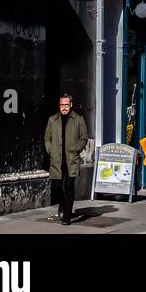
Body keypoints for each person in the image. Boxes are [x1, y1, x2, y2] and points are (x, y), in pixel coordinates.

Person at [44, 93, 88, 226]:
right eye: (61, 105)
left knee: (69, 186)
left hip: (71, 160)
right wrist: (50, 150)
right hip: (57, 160)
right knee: (57, 187)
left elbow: (84, 137)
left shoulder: (78, 119)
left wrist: (76, 148)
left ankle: (67, 216)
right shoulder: (53, 120)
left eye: (66, 105)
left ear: (71, 105)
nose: (64, 108)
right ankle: (62, 205)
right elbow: (47, 138)